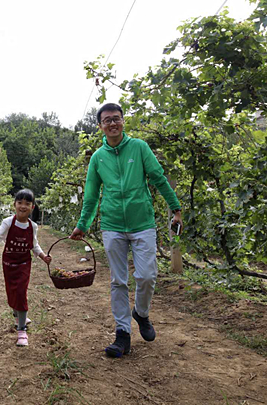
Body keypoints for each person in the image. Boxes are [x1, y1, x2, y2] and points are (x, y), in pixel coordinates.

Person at [70, 103, 183, 358]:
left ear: (123, 122)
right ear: (100, 126)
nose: (112, 123)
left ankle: (141, 313)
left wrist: (176, 208)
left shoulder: (139, 148)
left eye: (116, 119)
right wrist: (83, 225)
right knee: (118, 280)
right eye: (107, 120)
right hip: (112, 226)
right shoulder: (98, 158)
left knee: (146, 276)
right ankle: (122, 333)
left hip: (142, 222)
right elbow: (91, 196)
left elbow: (158, 178)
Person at [0, 189, 52, 346]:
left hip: (23, 263)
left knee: (21, 291)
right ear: (14, 204)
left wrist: (43, 257)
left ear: (32, 207)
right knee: (12, 290)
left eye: (27, 203)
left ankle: (22, 330)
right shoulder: (8, 222)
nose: (23, 206)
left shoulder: (33, 226)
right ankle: (18, 314)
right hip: (9, 263)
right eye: (20, 202)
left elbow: (34, 245)